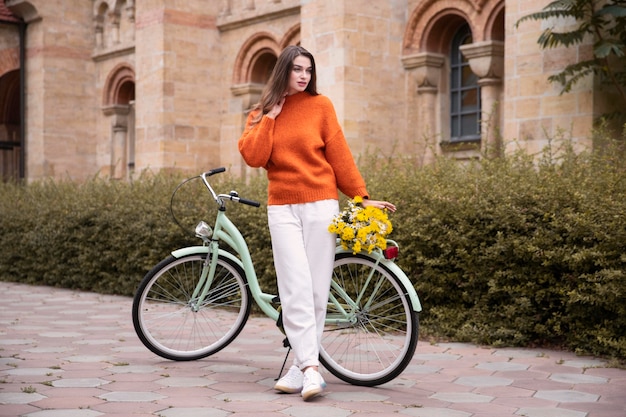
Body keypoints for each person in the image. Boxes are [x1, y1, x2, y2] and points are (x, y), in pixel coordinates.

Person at [238, 45, 396, 401]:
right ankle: (311, 368)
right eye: (296, 69)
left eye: (308, 69)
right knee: (294, 286)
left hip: (320, 204)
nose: (303, 75)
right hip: (282, 208)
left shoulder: (321, 106)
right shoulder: (261, 113)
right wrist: (271, 116)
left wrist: (360, 195)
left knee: (315, 288)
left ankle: (302, 366)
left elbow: (339, 153)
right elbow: (254, 156)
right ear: (283, 71)